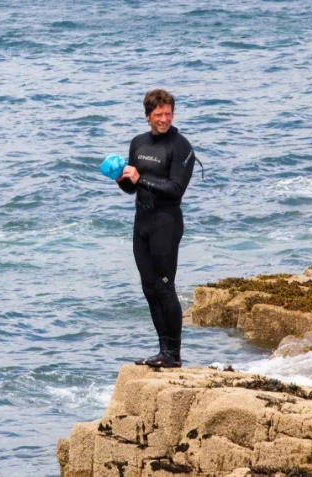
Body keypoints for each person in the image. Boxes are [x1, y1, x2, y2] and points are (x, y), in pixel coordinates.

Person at [116, 89, 197, 368]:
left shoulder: (181, 146)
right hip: (143, 224)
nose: (164, 119)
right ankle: (163, 350)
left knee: (165, 287)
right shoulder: (138, 143)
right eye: (158, 114)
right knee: (149, 288)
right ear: (147, 115)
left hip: (166, 223)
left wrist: (140, 180)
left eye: (168, 113)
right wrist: (121, 178)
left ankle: (174, 355)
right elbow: (131, 188)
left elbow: (176, 190)